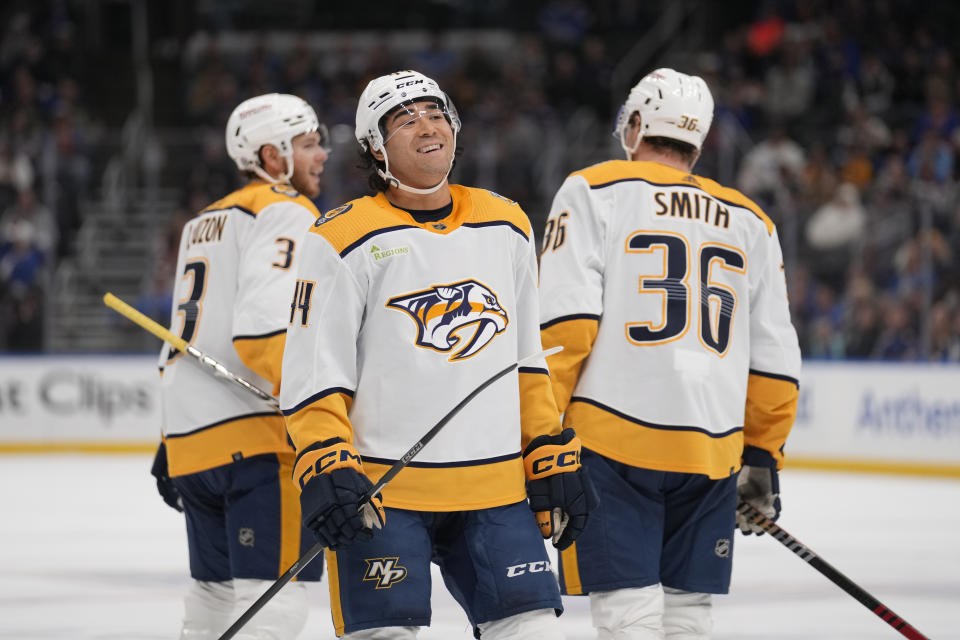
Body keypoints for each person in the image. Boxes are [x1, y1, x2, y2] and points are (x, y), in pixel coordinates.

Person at [279, 70, 596, 639]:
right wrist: (324, 455)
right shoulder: (340, 237)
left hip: (494, 487)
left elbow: (526, 359)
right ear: (376, 147)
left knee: (535, 630)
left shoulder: (507, 222)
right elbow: (314, 370)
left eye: (435, 113)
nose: (427, 126)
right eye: (405, 119)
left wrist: (546, 440)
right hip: (382, 492)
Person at [538, 68, 801, 639]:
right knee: (688, 618)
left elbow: (565, 326)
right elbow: (775, 352)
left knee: (627, 615)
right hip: (711, 447)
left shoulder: (593, 189)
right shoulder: (751, 221)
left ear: (635, 125)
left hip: (610, 442)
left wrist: (537, 428)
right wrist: (763, 452)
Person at [152, 93, 330, 639]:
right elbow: (262, 332)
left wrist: (167, 440)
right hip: (254, 440)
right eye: (308, 143)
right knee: (272, 603)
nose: (322, 154)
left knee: (214, 594)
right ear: (273, 158)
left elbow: (189, 337)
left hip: (190, 441)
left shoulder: (202, 222)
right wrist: (321, 411)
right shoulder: (287, 209)